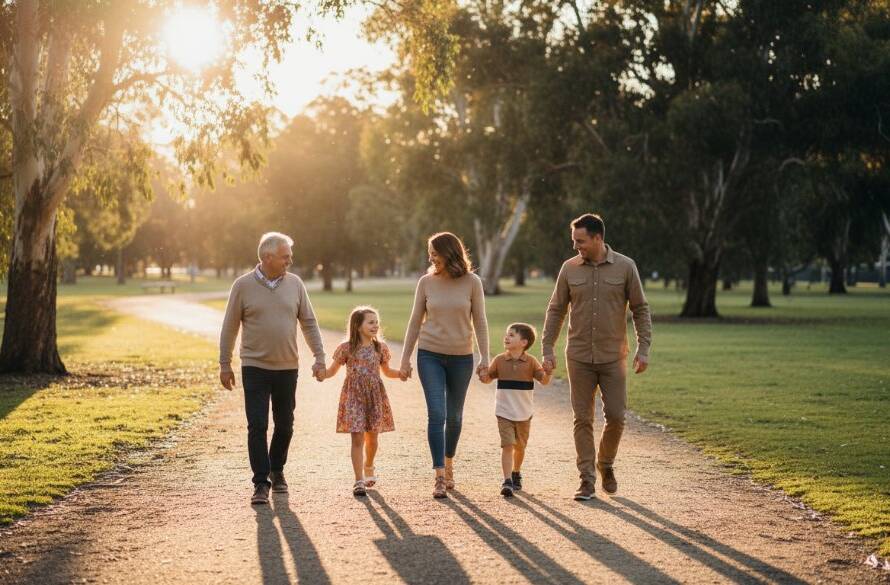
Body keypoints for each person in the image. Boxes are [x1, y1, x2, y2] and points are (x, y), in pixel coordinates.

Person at [541, 214, 652, 501]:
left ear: (597, 238)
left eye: (581, 241)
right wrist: (547, 348)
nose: (576, 246)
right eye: (574, 241)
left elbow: (640, 309)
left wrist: (644, 347)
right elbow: (556, 310)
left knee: (616, 416)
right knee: (582, 419)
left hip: (613, 356)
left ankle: (606, 463)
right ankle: (587, 480)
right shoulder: (569, 269)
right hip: (578, 356)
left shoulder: (626, 267)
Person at [219, 232, 327, 505]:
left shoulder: (296, 284)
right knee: (257, 424)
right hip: (254, 366)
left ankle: (277, 468)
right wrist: (225, 363)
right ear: (267, 257)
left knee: (285, 424)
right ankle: (260, 482)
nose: (290, 261)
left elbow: (309, 322)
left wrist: (319, 356)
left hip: (287, 367)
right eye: (285, 256)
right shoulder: (242, 286)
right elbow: (230, 326)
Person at [400, 232, 490, 499]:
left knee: (455, 417)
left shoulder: (472, 282)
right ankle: (439, 475)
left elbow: (480, 321)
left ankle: (449, 462)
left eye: (435, 253)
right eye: (430, 253)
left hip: (462, 357)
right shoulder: (426, 282)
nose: (431, 258)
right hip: (430, 355)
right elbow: (415, 321)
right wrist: (405, 358)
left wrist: (485, 357)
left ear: (449, 253)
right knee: (436, 414)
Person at [323, 307, 401, 496]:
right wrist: (321, 374)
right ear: (358, 326)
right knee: (357, 436)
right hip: (353, 396)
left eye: (376, 322)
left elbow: (387, 371)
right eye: (371, 322)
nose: (375, 325)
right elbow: (332, 371)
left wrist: (401, 374)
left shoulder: (380, 347)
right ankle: (358, 480)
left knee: (372, 437)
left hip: (374, 396)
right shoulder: (346, 348)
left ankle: (369, 465)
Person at [480, 323, 551, 498]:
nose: (506, 337)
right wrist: (482, 375)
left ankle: (516, 472)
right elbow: (488, 379)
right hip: (503, 411)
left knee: (520, 447)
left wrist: (548, 372)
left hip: (524, 413)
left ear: (524, 342)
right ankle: (507, 481)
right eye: (507, 334)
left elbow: (544, 381)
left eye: (512, 335)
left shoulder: (531, 362)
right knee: (507, 445)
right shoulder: (499, 360)